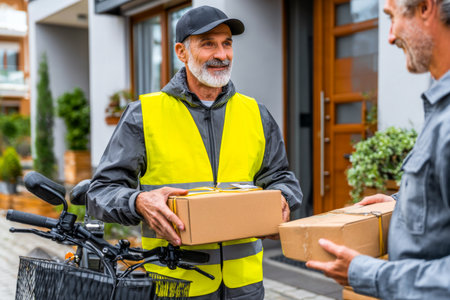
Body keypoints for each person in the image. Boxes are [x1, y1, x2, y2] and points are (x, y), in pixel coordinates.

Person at [87, 5, 302, 300]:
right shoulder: (144, 115)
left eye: (227, 43)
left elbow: (281, 178)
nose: (222, 54)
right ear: (181, 52)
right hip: (176, 286)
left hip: (246, 286)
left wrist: (284, 200)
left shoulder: (256, 114)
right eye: (208, 44)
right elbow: (100, 192)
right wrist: (138, 201)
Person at [306, 0, 450, 299]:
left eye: (391, 17)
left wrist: (366, 273)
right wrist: (407, 200)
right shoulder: (439, 106)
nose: (390, 36)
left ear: (425, 8)